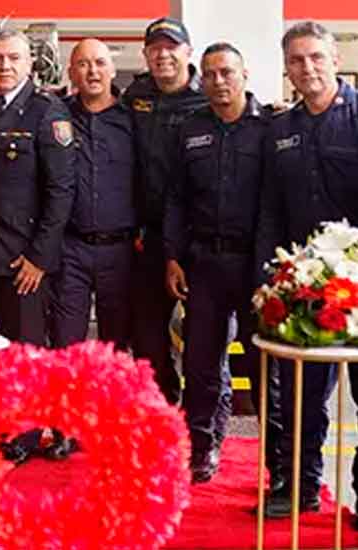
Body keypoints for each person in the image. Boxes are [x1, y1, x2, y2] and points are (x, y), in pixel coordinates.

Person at [164, 42, 282, 487]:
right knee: (200, 366)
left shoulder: (270, 126)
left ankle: (277, 463)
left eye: (227, 72)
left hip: (255, 268)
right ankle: (203, 446)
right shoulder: (191, 129)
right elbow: (176, 198)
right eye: (210, 73)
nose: (218, 81)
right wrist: (173, 257)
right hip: (203, 265)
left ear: (244, 74)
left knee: (263, 368)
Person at [255, 21, 358, 519]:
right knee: (300, 397)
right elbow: (271, 209)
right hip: (302, 287)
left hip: (356, 286)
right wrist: (270, 275)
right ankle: (299, 487)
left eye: (316, 57)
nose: (307, 68)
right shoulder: (281, 129)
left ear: (334, 58)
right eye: (297, 60)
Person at [0, 28, 74, 344]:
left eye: (14, 58)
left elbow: (61, 190)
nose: (5, 66)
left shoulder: (46, 109)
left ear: (29, 65)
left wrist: (40, 258)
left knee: (25, 358)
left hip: (25, 261)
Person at [122, 17, 207, 405]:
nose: (162, 55)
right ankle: (162, 408)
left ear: (188, 52)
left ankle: (200, 423)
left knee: (204, 341)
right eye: (155, 47)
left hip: (200, 239)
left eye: (171, 46)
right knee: (147, 337)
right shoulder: (134, 98)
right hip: (148, 238)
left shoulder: (209, 96)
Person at [49, 38, 134, 350]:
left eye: (99, 63)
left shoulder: (133, 119)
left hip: (122, 251)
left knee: (117, 346)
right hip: (71, 249)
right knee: (64, 342)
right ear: (71, 73)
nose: (92, 72)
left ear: (112, 69)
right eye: (83, 64)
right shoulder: (57, 116)